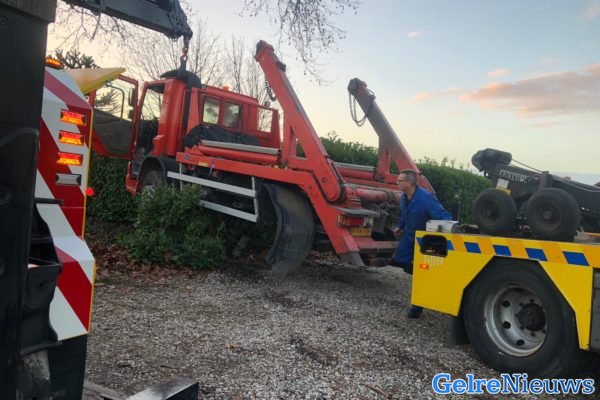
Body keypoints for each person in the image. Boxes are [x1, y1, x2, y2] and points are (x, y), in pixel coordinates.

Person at [391, 169, 452, 318]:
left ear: (409, 183)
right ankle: (424, 277)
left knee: (421, 273)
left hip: (425, 241)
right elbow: (405, 215)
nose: (397, 182)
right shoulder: (404, 197)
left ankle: (417, 306)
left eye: (400, 180)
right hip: (409, 237)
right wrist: (400, 226)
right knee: (399, 260)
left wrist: (438, 238)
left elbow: (444, 218)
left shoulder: (426, 198)